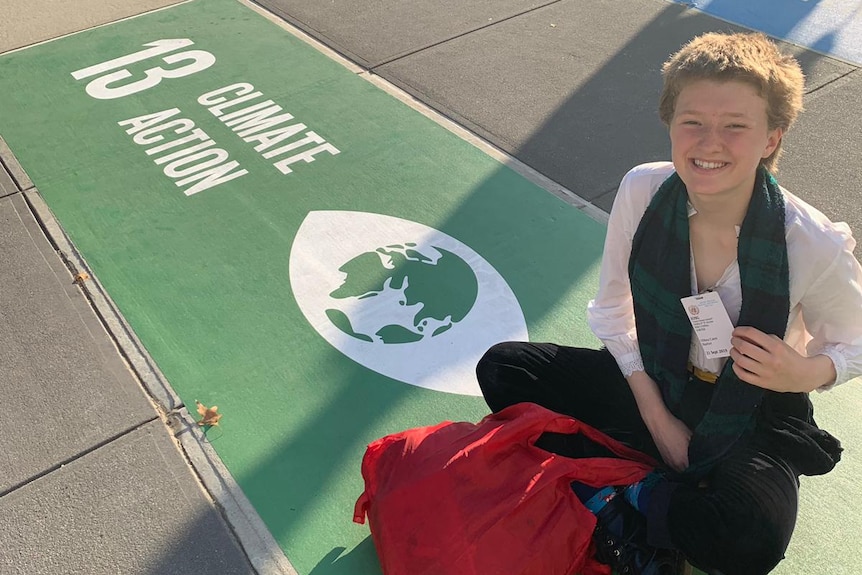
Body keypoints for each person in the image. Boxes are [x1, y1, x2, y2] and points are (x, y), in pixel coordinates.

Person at [476, 32, 862, 575]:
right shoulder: (643, 191)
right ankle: (640, 495)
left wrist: (808, 370)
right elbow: (613, 312)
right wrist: (658, 418)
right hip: (655, 379)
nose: (709, 143)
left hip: (748, 407)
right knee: (504, 369)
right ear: (669, 123)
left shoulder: (810, 242)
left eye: (736, 126)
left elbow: (857, 341)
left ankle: (617, 486)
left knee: (748, 542)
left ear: (771, 138)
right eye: (692, 121)